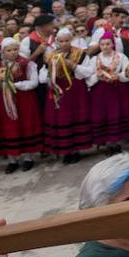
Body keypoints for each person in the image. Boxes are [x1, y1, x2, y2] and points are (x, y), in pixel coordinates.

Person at [41, 27, 95, 164]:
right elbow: (43, 73)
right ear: (57, 41)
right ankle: (65, 150)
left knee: (75, 117)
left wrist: (74, 66)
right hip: (58, 89)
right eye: (61, 41)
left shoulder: (80, 54)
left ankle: (76, 149)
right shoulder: (51, 55)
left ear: (71, 40)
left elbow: (89, 72)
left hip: (75, 89)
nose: (64, 43)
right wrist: (49, 76)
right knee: (61, 118)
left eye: (67, 41)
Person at [0, 38, 43, 173]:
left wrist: (16, 85)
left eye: (15, 49)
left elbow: (33, 82)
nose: (13, 53)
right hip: (3, 100)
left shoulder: (27, 64)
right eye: (9, 50)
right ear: (3, 52)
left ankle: (28, 158)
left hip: (23, 98)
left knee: (24, 125)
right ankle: (12, 160)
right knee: (8, 127)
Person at [88, 33, 129, 156]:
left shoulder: (121, 57)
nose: (105, 47)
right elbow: (88, 78)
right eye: (102, 44)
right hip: (100, 92)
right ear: (99, 45)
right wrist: (97, 76)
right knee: (103, 115)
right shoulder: (94, 59)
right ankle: (107, 143)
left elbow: (128, 73)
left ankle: (116, 143)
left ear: (113, 44)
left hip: (117, 90)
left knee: (116, 113)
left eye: (108, 44)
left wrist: (118, 76)